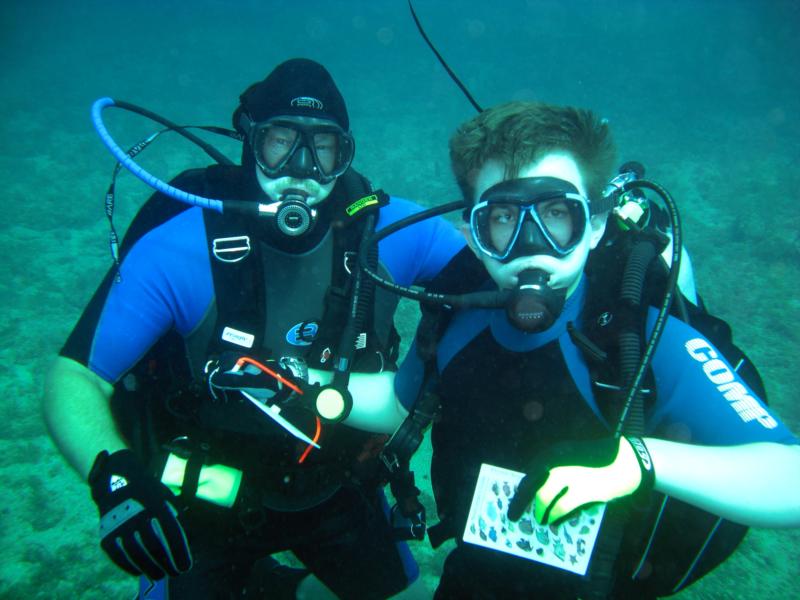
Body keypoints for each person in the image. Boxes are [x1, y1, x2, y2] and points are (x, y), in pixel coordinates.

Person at [42, 58, 464, 599]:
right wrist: (115, 475)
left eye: (324, 147)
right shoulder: (181, 248)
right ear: (250, 141)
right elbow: (75, 377)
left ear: (345, 155)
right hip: (202, 496)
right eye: (280, 142)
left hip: (335, 484)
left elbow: (497, 281)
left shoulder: (391, 232)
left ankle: (287, 590)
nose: (301, 168)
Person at [394, 100, 800, 598]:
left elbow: (790, 478)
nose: (531, 245)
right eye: (502, 217)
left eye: (556, 213)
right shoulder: (455, 319)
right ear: (474, 237)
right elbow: (400, 404)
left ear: (595, 225)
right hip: (477, 573)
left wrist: (639, 462)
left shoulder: (642, 337)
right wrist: (325, 391)